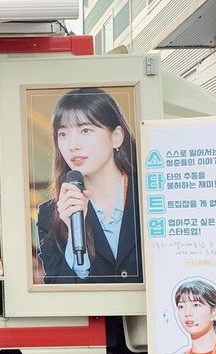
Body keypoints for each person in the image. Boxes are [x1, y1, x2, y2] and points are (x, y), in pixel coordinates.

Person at [36, 87, 141, 284]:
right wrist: (73, 235)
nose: (72, 145)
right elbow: (59, 295)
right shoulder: (50, 214)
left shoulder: (150, 196)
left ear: (116, 136)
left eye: (85, 130)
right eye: (63, 134)